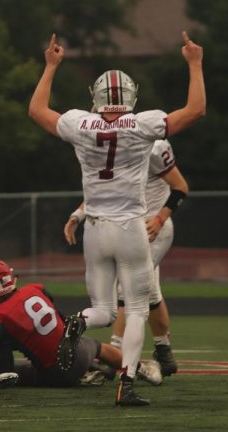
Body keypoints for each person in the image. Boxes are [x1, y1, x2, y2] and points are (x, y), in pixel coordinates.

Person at [28, 31, 205, 407]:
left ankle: (77, 321)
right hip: (129, 227)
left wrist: (50, 67)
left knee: (105, 310)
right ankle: (126, 383)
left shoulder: (78, 123)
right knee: (137, 307)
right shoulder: (143, 125)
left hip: (94, 228)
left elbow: (37, 112)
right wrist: (194, 64)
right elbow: (195, 111)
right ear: (131, 97)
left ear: (96, 98)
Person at [64, 139, 187, 378]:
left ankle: (116, 354)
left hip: (151, 228)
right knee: (149, 290)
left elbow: (180, 186)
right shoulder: (109, 147)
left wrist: (160, 218)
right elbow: (100, 192)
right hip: (126, 229)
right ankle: (163, 350)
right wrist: (77, 215)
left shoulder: (151, 145)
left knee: (128, 291)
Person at [0, 259, 160, 388]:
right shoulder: (36, 289)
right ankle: (141, 370)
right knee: (97, 345)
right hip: (78, 350)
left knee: (16, 370)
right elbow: (60, 320)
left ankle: (83, 377)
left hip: (58, 374)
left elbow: (6, 370)